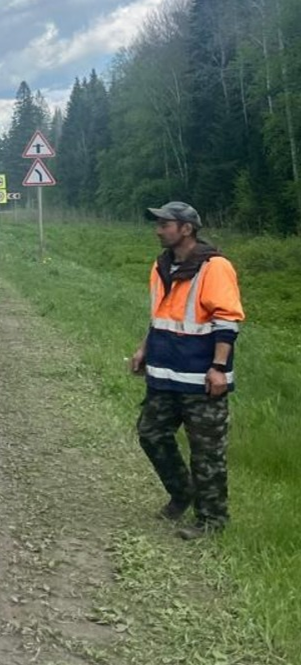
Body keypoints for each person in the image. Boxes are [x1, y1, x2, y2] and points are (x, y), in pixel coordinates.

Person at [128, 201, 244, 539]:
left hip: (202, 379)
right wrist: (143, 349)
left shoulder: (215, 267)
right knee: (151, 433)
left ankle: (212, 521)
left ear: (186, 229)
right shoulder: (161, 265)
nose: (158, 229)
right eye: (159, 223)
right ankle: (183, 493)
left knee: (207, 452)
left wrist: (219, 368)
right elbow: (160, 315)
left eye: (165, 224)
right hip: (164, 374)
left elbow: (227, 321)